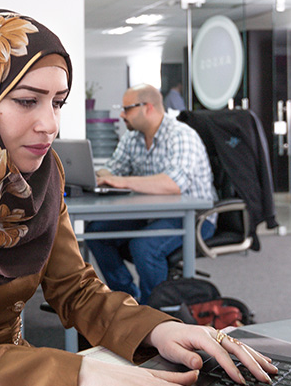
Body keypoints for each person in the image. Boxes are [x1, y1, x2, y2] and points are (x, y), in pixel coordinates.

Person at [0, 9, 275, 386]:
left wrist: (156, 329)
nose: (50, 124)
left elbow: (75, 288)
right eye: (26, 101)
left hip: (14, 373)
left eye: (58, 103)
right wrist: (79, 374)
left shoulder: (42, 174)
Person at [86, 84, 217, 305]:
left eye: (126, 109)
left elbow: (173, 184)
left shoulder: (182, 136)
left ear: (147, 108)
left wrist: (122, 181)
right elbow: (113, 168)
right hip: (151, 213)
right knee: (97, 235)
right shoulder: (132, 138)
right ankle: (128, 300)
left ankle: (156, 312)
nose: (121, 114)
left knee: (144, 247)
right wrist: (101, 176)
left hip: (194, 217)